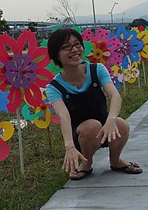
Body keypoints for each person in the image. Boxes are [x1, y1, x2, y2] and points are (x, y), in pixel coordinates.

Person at [45, 28, 142, 180]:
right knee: (92, 126)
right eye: (66, 47)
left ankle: (115, 160)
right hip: (82, 134)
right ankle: (86, 163)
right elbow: (64, 117)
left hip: (106, 128)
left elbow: (115, 96)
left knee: (121, 125)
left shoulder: (97, 69)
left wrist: (111, 120)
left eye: (77, 45)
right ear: (56, 54)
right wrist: (69, 145)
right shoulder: (54, 87)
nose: (74, 50)